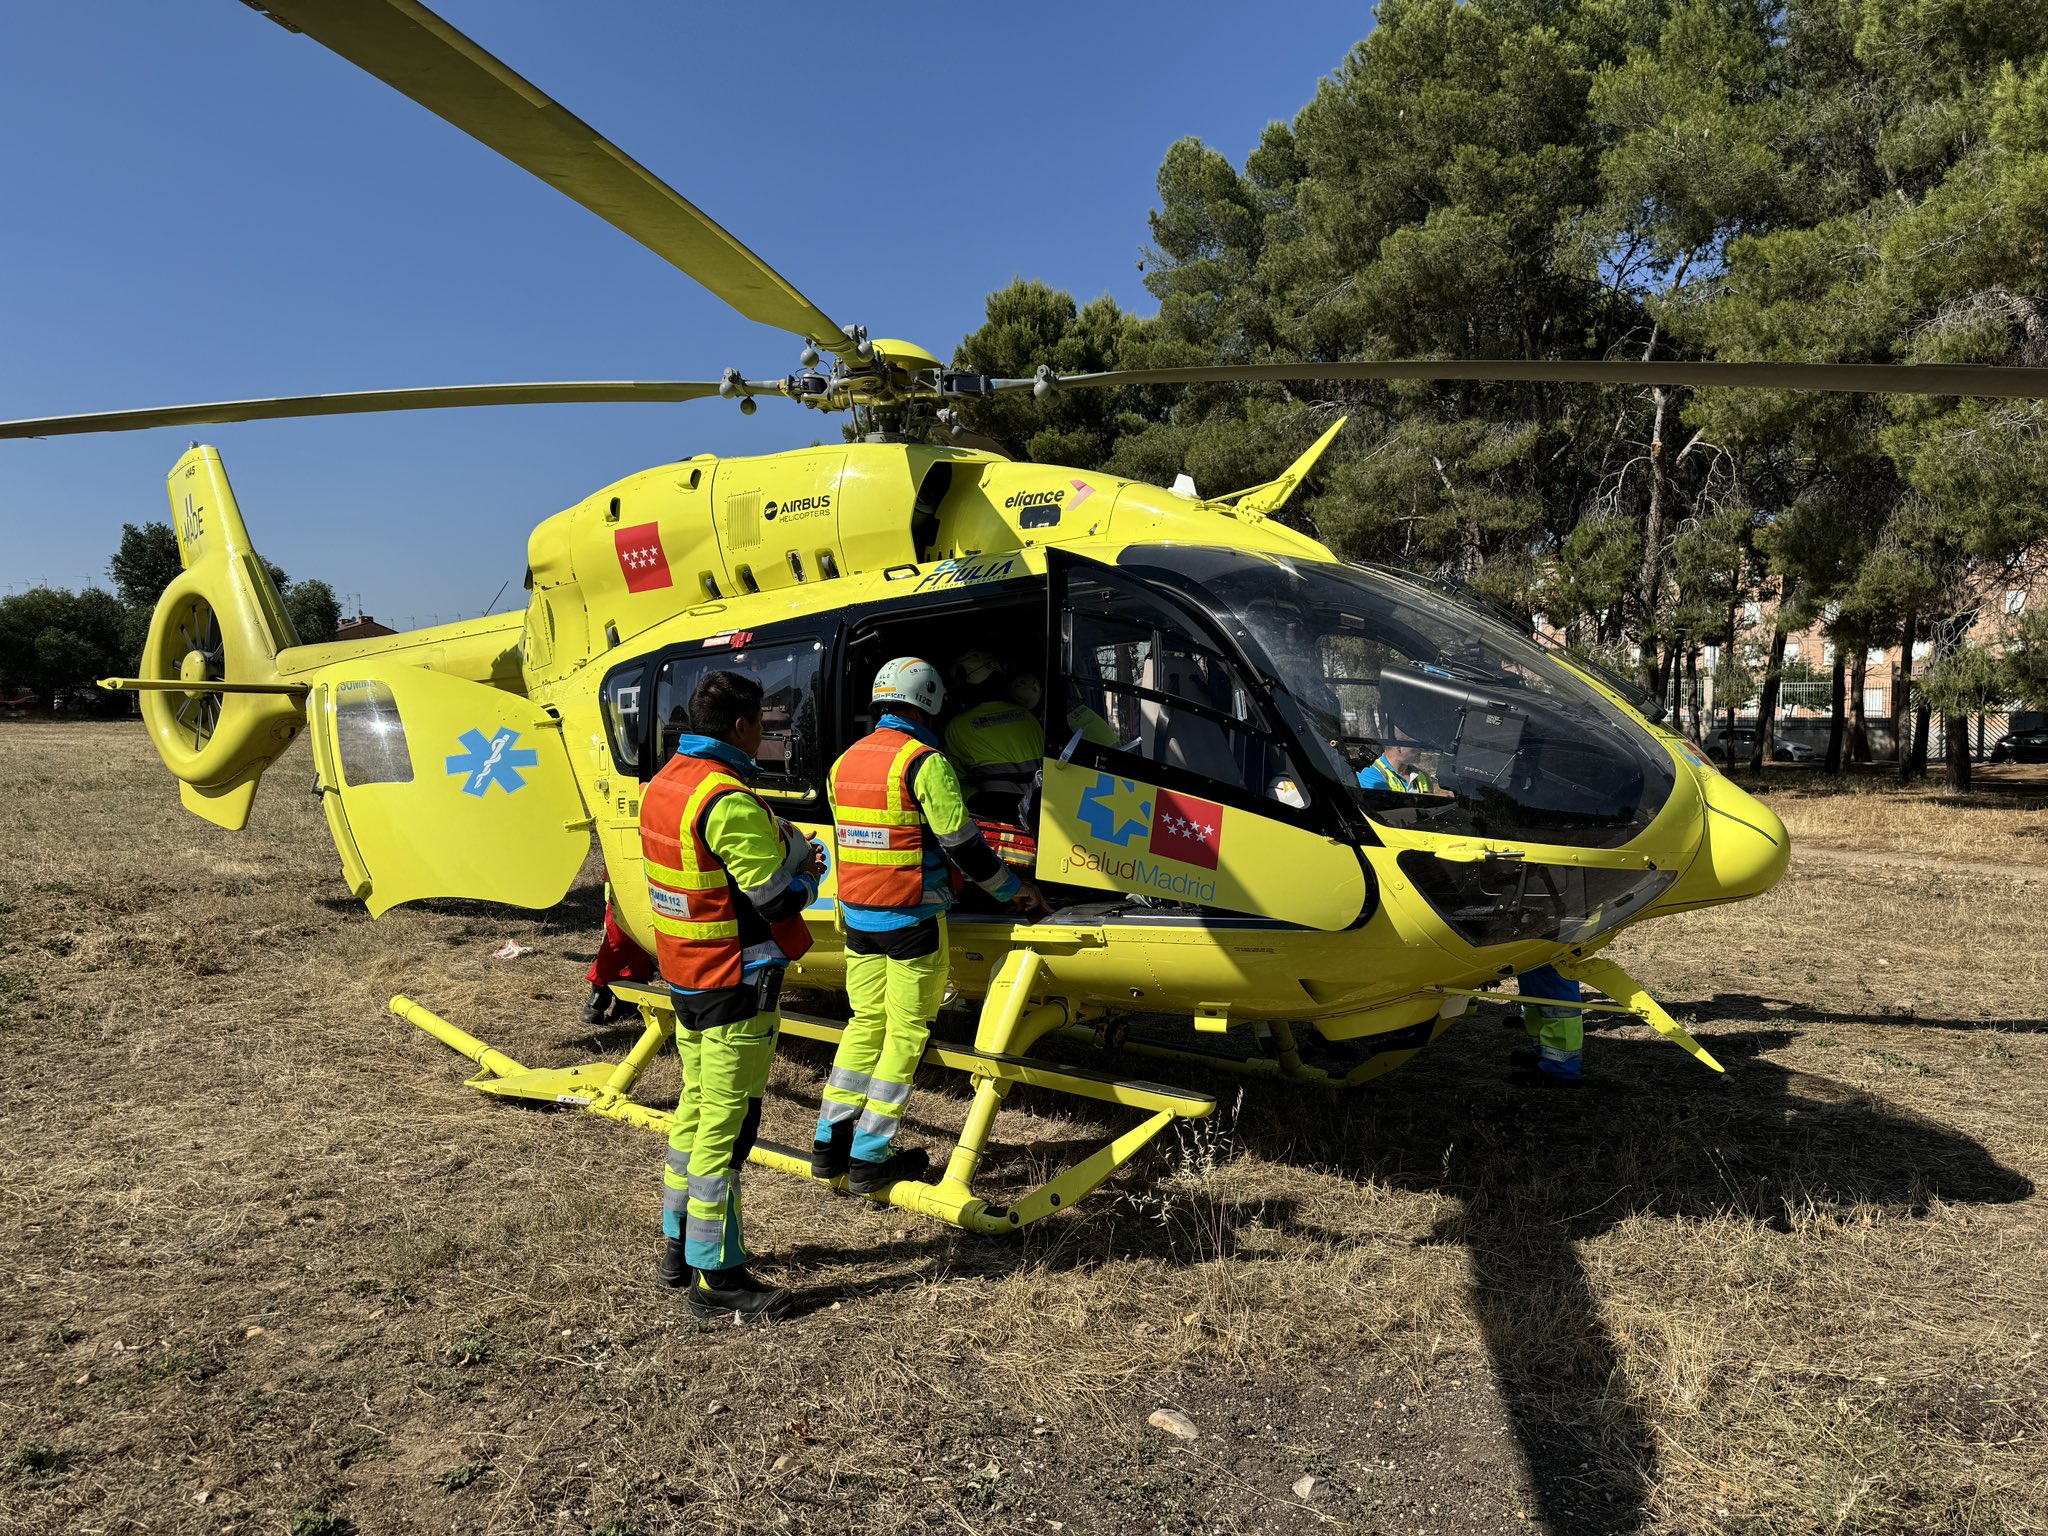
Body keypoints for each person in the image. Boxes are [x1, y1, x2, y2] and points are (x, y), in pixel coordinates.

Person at [812, 657, 1050, 1192]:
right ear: (933, 702)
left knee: (863, 1023)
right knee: (905, 1031)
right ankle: (872, 1155)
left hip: (857, 918)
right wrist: (1017, 894)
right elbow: (963, 845)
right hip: (912, 918)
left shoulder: (843, 763)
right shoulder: (924, 762)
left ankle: (831, 1143)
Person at [641, 670, 823, 1321]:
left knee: (694, 1113)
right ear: (745, 727)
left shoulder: (664, 787)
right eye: (766, 727)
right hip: (736, 983)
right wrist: (808, 875)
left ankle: (676, 1246)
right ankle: (718, 1278)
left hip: (687, 977)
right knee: (728, 1128)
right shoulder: (728, 801)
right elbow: (773, 899)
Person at [1355, 727, 1584, 1084]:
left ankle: (1560, 1067)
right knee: (1536, 972)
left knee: (1549, 978)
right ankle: (1546, 1053)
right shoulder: (1373, 777)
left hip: (1544, 891)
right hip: (1530, 885)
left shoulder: (1422, 778)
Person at [942, 649, 1045, 820]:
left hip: (997, 812)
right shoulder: (1028, 716)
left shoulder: (958, 726)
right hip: (1039, 808)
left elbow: (954, 780)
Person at [581, 884, 654, 1029]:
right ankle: (600, 993)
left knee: (644, 933)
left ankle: (629, 999)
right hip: (623, 876)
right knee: (616, 936)